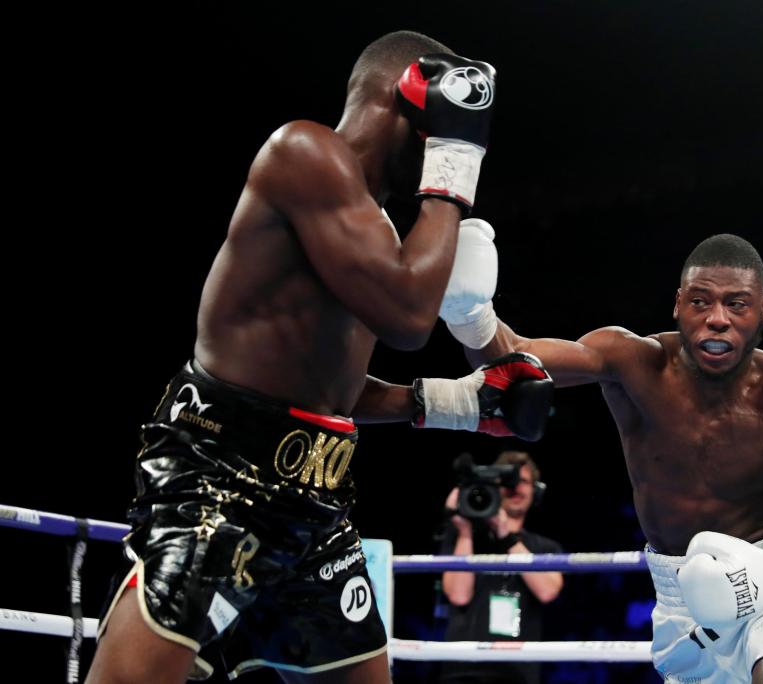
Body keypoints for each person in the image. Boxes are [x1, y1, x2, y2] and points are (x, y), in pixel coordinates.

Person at [85, 30, 545, 684]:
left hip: (314, 502)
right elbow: (410, 318)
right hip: (215, 475)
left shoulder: (373, 233)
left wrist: (458, 403)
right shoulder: (305, 151)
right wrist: (455, 159)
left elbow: (335, 388)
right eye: (441, 129)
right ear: (411, 104)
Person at [430, 232, 763, 683]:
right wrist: (472, 317)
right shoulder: (632, 361)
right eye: (701, 301)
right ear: (678, 304)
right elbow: (516, 361)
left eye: (737, 304)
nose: (717, 319)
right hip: (679, 601)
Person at [438, 451, 563, 684]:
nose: (515, 488)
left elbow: (548, 591)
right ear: (493, 488)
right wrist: (464, 531)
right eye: (508, 482)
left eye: (523, 482)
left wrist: (506, 536)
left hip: (518, 673)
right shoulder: (465, 539)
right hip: (463, 667)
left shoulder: (544, 546)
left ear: (535, 490)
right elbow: (458, 595)